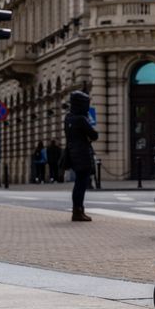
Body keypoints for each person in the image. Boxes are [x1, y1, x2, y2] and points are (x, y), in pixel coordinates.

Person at [64, 91, 98, 222]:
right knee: (81, 184)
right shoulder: (81, 119)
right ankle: (78, 211)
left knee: (78, 183)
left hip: (72, 153)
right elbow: (94, 135)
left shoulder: (68, 118)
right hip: (82, 153)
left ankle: (77, 210)